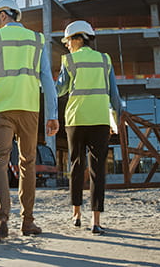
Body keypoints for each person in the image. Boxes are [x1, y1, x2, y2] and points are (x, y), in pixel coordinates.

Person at [0, 0, 59, 241]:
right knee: (27, 163)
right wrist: (52, 115)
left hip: (1, 107)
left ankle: (0, 222)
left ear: (1, 16)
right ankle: (28, 222)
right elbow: (47, 80)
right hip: (30, 108)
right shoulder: (37, 39)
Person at [55, 20, 122, 235]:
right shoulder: (105, 60)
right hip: (100, 119)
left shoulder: (69, 61)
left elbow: (59, 90)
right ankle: (96, 221)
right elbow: (115, 96)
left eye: (68, 41)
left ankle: (76, 215)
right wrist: (115, 121)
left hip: (75, 120)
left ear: (77, 38)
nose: (66, 45)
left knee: (75, 165)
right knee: (97, 170)